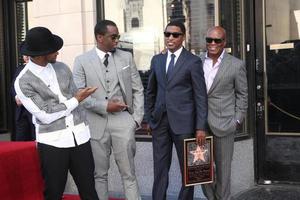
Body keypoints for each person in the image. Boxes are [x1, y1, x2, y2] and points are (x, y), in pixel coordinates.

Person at [14, 26, 99, 200]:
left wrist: (76, 102)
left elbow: (74, 97)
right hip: (53, 143)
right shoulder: (23, 81)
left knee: (90, 192)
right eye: (53, 49)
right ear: (40, 54)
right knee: (54, 193)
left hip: (80, 137)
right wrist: (75, 100)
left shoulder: (62, 67)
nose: (58, 52)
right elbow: (45, 115)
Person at [73, 20, 144, 200]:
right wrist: (105, 106)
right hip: (95, 123)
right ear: (99, 37)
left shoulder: (126, 57)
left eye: (118, 37)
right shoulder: (81, 61)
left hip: (123, 121)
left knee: (129, 174)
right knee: (99, 175)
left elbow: (138, 89)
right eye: (113, 37)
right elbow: (79, 96)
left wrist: (135, 119)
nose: (117, 41)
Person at [146, 20, 208, 200]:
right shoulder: (157, 60)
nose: (170, 38)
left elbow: (200, 96)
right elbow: (150, 91)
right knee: (160, 169)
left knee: (189, 171)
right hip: (160, 124)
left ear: (183, 37)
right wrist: (149, 119)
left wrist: (200, 127)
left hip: (185, 124)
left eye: (175, 35)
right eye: (167, 34)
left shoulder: (193, 61)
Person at [200, 26, 248, 200]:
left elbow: (242, 94)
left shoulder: (236, 64)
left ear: (224, 42)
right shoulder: (196, 62)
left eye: (217, 40)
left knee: (223, 171)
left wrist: (237, 120)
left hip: (225, 124)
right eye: (209, 40)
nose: (212, 43)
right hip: (200, 125)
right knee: (202, 170)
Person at [11, 55, 36, 141]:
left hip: (34, 110)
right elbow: (13, 86)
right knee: (21, 138)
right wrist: (16, 96)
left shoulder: (39, 68)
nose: (27, 57)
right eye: (25, 55)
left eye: (29, 55)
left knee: (35, 137)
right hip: (21, 110)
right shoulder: (19, 69)